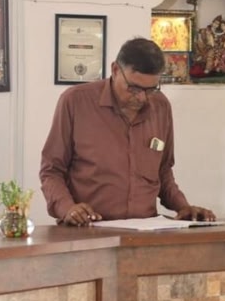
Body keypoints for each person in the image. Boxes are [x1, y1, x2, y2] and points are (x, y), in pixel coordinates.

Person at [39, 37, 215, 226]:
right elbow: (52, 170)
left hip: (146, 231)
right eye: (134, 88)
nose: (142, 98)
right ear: (115, 70)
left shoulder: (160, 106)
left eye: (151, 89)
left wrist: (183, 207)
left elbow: (163, 171)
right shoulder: (76, 102)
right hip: (88, 230)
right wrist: (68, 208)